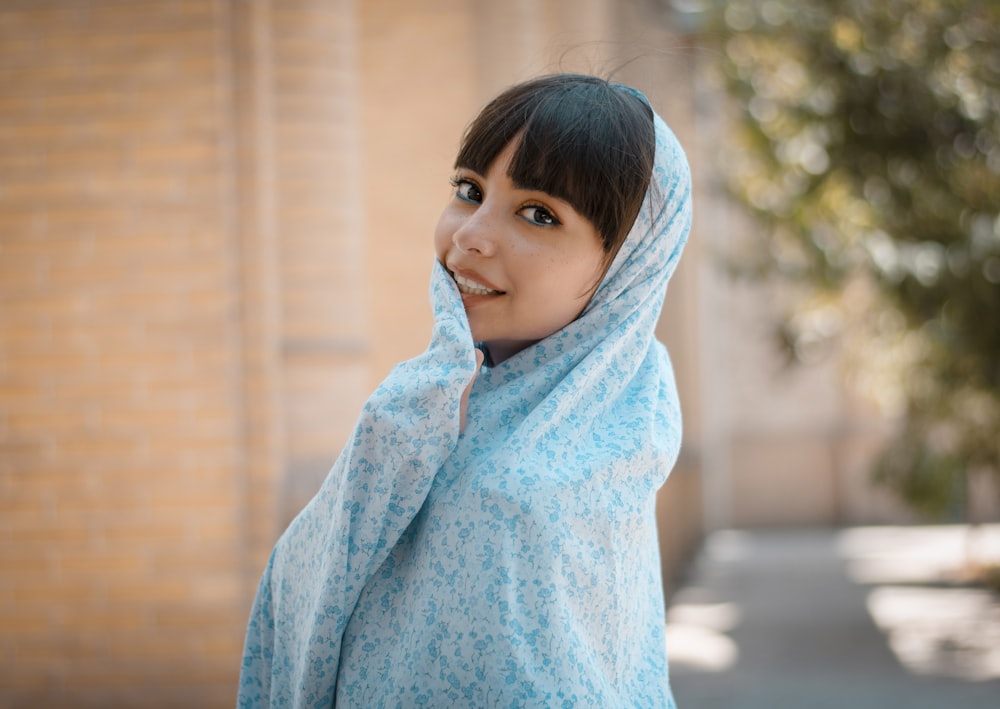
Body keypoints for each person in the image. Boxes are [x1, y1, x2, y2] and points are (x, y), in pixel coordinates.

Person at [238, 73, 692, 707]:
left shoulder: (570, 453)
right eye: (468, 190)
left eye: (539, 214)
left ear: (625, 266)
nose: (469, 235)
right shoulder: (437, 400)